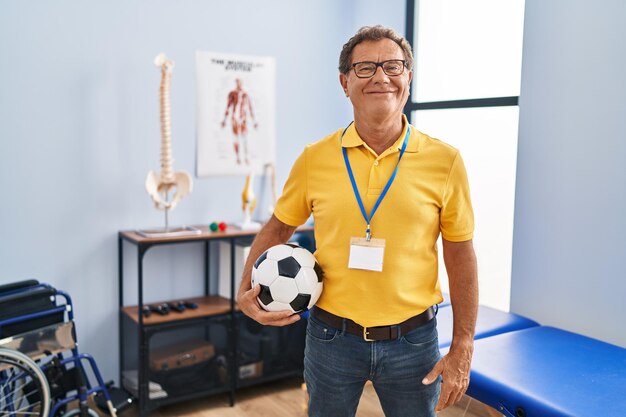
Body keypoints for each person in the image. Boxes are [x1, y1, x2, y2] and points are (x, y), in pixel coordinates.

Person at [237, 25, 478, 417]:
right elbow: (278, 227)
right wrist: (244, 289)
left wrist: (463, 343)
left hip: (414, 341)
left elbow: (460, 253)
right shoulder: (315, 158)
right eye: (365, 67)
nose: (381, 77)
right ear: (344, 82)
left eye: (394, 66)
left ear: (409, 78)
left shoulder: (446, 161)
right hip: (331, 338)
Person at [220, 78, 258, 165]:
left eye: (240, 83)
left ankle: (246, 157)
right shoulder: (232, 94)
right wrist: (224, 120)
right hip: (235, 119)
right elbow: (228, 107)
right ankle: (237, 157)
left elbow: (250, 108)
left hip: (243, 119)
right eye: (237, 83)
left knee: (245, 139)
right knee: (236, 139)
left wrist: (254, 121)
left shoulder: (245, 94)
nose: (238, 85)